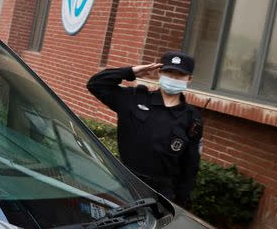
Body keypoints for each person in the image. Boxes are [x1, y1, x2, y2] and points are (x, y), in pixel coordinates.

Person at [87, 51, 203, 207]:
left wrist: (181, 204)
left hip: (162, 194)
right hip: (125, 185)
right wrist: (132, 71)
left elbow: (190, 166)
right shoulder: (134, 99)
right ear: (159, 73)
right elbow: (96, 84)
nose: (173, 78)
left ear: (189, 79)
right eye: (169, 73)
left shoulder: (192, 118)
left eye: (179, 75)